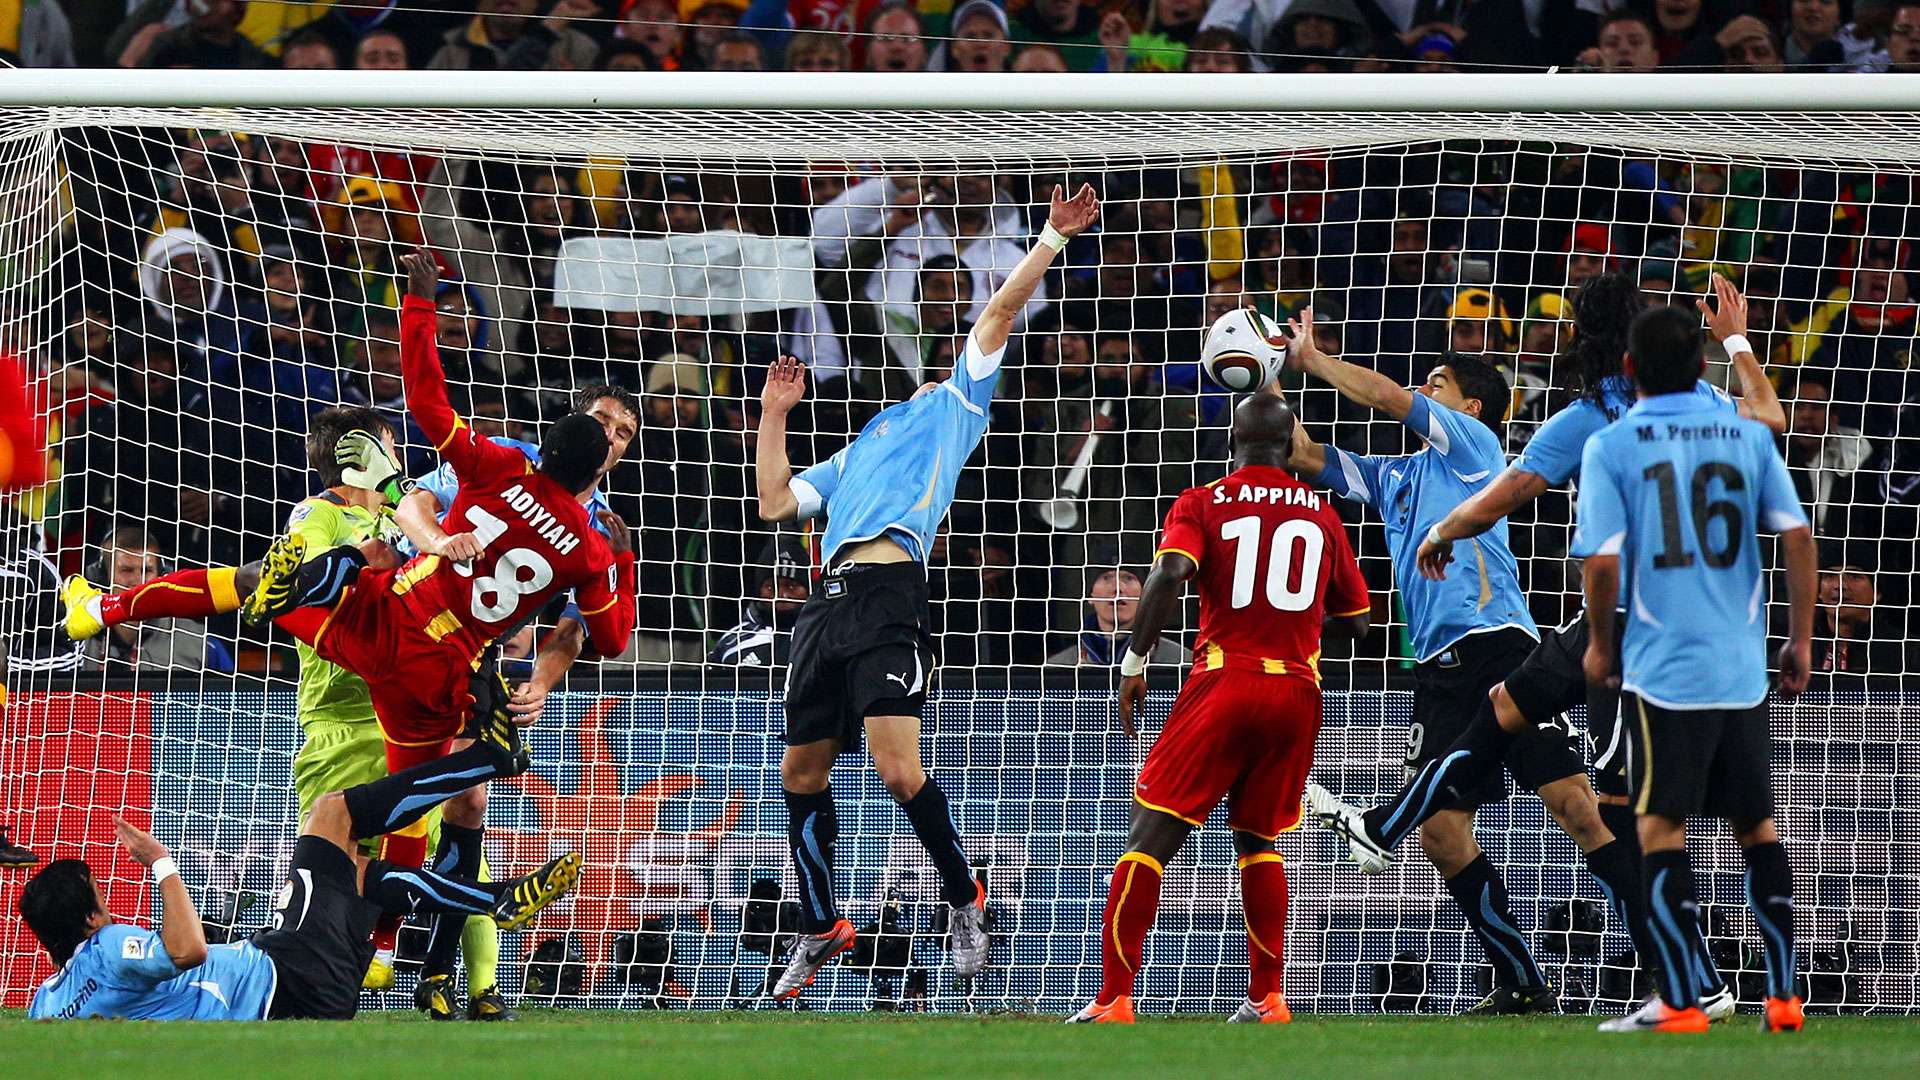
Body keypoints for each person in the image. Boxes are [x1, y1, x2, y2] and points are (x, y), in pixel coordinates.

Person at [1305, 273, 1784, 1019]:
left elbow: (1520, 493)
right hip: (1692, 628)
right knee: (1513, 746)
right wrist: (1737, 340)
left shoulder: (1574, 422)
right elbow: (1771, 418)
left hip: (1618, 630)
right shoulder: (1709, 409)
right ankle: (1401, 843)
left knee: (1610, 810)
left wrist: (1446, 528)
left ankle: (1695, 983)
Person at [754, 183, 1100, 999]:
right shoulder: (862, 440)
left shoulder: (955, 405)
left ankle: (964, 896)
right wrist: (775, 412)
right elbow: (773, 501)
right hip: (823, 606)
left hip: (889, 595)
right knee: (802, 774)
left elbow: (999, 317)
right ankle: (820, 924)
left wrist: (1048, 238)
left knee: (895, 769)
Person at [1286, 313, 1626, 1016]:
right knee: (1443, 837)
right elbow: (1303, 455)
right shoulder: (1395, 476)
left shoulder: (1475, 447)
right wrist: (1261, 372)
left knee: (1576, 810)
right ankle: (1524, 981)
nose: (1422, 387)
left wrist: (1315, 359)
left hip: (1502, 644)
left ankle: (1669, 957)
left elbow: (1384, 397)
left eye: (1437, 383)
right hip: (1438, 667)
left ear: (1471, 406)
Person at [1067, 393, 1371, 1025]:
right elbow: (1361, 619)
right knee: (1261, 843)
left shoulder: (1203, 501)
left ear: (1231, 442)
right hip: (1296, 691)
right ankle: (1268, 999)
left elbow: (1170, 573)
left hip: (1223, 678)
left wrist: (1133, 660)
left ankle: (1114, 999)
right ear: (1291, 447)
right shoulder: (1323, 513)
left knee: (1149, 837)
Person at [1574, 304, 1814, 1034]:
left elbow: (1604, 560)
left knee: (1659, 830)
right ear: (1703, 365)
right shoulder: (1746, 437)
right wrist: (1799, 640)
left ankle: (1681, 1001)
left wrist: (1601, 646)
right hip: (1742, 668)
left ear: (1627, 368)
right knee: (1758, 829)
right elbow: (1798, 536)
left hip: (1662, 670)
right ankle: (1782, 997)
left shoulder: (1613, 445)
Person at [22, 718, 580, 1021]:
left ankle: (490, 900)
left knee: (354, 871)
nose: (114, 906)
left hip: (294, 978)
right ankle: (487, 762)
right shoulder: (109, 946)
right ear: (92, 918)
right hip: (288, 975)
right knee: (332, 813)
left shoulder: (47, 1000)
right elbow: (187, 949)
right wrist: (161, 863)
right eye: (102, 894)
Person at [79, 526, 234, 673]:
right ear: (102, 577)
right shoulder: (78, 640)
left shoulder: (198, 642)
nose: (138, 581)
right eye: (126, 570)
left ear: (161, 576)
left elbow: (232, 696)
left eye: (147, 570)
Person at [1044, 569, 1184, 667]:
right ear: (1090, 595)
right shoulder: (1059, 666)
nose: (1118, 588)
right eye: (1106, 578)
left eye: (1128, 578)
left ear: (1144, 594)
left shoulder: (1182, 661)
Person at [710, 538, 813, 667]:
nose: (782, 595)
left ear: (809, 590)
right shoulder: (732, 643)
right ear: (759, 590)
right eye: (771, 587)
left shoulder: (823, 635)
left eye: (792, 586)